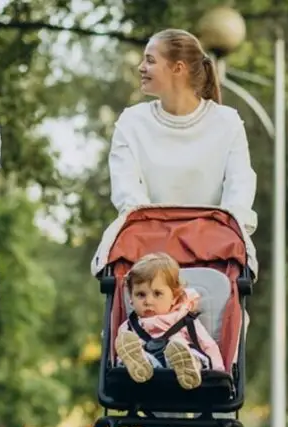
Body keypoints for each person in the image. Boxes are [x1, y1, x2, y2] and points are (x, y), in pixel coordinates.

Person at [108, 28, 258, 235]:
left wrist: (220, 235)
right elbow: (127, 192)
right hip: (148, 243)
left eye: (150, 60)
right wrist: (155, 233)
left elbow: (239, 187)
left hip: (214, 247)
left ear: (178, 68)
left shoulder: (227, 122)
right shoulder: (131, 122)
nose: (141, 67)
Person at [115, 252, 225, 390]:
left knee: (185, 350)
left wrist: (219, 373)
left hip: (185, 365)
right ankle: (140, 364)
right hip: (152, 373)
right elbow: (122, 351)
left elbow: (208, 345)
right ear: (131, 298)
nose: (148, 301)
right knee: (135, 353)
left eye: (157, 294)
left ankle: (186, 366)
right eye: (140, 295)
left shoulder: (184, 319)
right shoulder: (129, 327)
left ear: (174, 297)